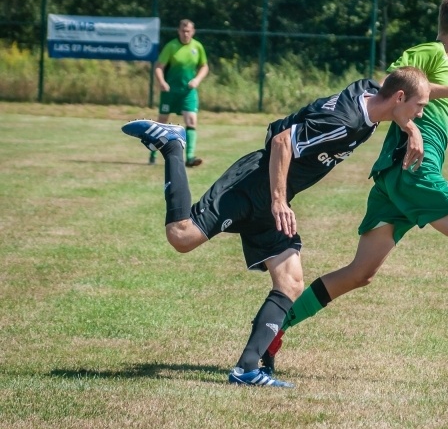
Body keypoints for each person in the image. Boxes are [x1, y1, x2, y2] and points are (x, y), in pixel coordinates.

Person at [263, 0, 448, 378]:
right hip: (415, 172)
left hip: (392, 183)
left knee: (359, 273)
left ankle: (272, 330)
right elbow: (391, 87)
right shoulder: (431, 53)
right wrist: (414, 124)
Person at [121, 67, 430, 387]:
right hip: (253, 184)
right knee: (182, 236)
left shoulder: (370, 93)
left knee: (291, 282)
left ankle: (247, 369)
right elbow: (283, 141)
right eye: (419, 107)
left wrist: (417, 126)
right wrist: (279, 200)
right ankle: (172, 144)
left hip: (271, 198)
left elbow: (405, 90)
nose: (420, 114)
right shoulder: (344, 123)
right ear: (398, 98)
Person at [150, 19, 209, 167]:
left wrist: (197, 80)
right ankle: (153, 153)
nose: (185, 34)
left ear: (193, 32)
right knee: (162, 123)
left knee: (191, 121)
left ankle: (189, 158)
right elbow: (158, 67)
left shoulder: (197, 47)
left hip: (188, 92)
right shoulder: (171, 46)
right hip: (170, 91)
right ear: (178, 31)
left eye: (188, 31)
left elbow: (204, 66)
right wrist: (162, 82)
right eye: (183, 31)